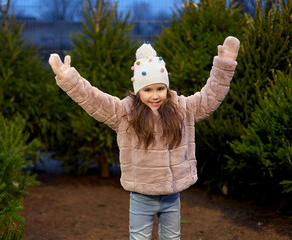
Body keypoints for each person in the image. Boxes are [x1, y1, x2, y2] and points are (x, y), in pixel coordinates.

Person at [48, 36, 240, 240]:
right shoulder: (124, 113)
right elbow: (94, 100)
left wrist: (225, 65)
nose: (155, 95)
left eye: (160, 89)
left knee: (172, 237)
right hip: (141, 196)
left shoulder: (182, 109)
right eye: (147, 90)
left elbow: (210, 97)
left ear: (167, 87)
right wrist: (69, 78)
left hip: (171, 195)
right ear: (138, 90)